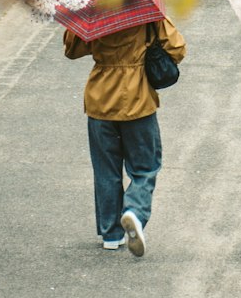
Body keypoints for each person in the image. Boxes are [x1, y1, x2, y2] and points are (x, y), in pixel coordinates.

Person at [63, 17, 186, 257]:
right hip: (137, 98)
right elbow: (177, 47)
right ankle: (134, 211)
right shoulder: (145, 10)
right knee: (146, 166)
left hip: (100, 98)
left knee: (105, 169)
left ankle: (111, 234)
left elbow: (72, 49)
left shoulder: (92, 9)